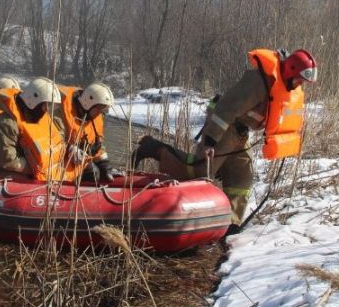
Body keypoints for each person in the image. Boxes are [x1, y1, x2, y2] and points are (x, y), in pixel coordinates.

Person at [131, 48, 318, 235]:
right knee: (199, 171)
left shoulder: (283, 87)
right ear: (290, 70)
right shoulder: (258, 82)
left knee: (242, 176)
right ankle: (155, 148)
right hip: (223, 124)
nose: (302, 84)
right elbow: (227, 108)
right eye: (301, 79)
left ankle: (230, 224)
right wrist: (211, 140)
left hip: (240, 131)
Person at [0, 77, 80, 181]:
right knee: (25, 180)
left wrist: (69, 149)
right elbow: (6, 160)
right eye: (46, 105)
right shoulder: (7, 123)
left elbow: (54, 142)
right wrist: (35, 168)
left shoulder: (40, 118)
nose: (47, 110)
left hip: (21, 160)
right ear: (32, 102)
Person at [57, 82, 115, 182]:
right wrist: (69, 148)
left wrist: (104, 163)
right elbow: (51, 139)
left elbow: (97, 145)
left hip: (81, 158)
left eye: (102, 109)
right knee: (93, 173)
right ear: (87, 103)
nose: (99, 113)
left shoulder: (95, 116)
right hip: (62, 159)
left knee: (102, 172)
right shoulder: (61, 111)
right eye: (98, 108)